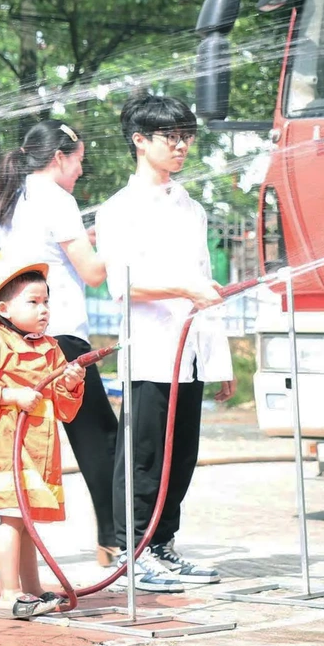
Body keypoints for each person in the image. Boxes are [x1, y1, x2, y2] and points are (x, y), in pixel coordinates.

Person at [0, 121, 118, 573]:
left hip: (17, 334)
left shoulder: (15, 195)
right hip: (58, 334)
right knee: (100, 438)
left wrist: (88, 240)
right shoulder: (58, 198)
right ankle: (116, 538)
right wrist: (123, 244)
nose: (82, 169)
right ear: (59, 157)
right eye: (79, 159)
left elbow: (49, 251)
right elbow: (94, 273)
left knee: (8, 441)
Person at [96, 93, 233, 591]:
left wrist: (220, 359)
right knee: (144, 456)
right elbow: (120, 286)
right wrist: (181, 289)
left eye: (186, 138)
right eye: (171, 138)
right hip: (151, 349)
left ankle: (162, 544)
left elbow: (203, 281)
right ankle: (130, 549)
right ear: (139, 141)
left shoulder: (190, 208)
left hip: (190, 351)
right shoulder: (119, 209)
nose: (181, 147)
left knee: (182, 454)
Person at [0, 256, 86, 619]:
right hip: (3, 453)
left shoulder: (51, 350)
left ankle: (32, 591)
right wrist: (12, 395)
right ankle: (9, 593)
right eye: (33, 302)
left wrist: (72, 383)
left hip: (37, 455)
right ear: (3, 309)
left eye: (46, 301)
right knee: (12, 519)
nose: (43, 310)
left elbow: (64, 408)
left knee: (27, 524)